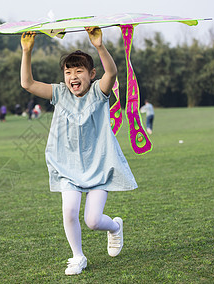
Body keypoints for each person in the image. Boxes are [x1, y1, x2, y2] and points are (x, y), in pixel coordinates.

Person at [21, 28, 137, 275]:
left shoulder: (99, 91)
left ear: (91, 74)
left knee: (93, 220)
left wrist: (99, 46)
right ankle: (77, 256)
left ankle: (114, 227)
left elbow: (113, 73)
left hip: (99, 163)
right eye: (68, 72)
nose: (73, 76)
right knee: (69, 210)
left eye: (79, 71)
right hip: (67, 165)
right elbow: (27, 83)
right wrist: (27, 51)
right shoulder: (59, 93)